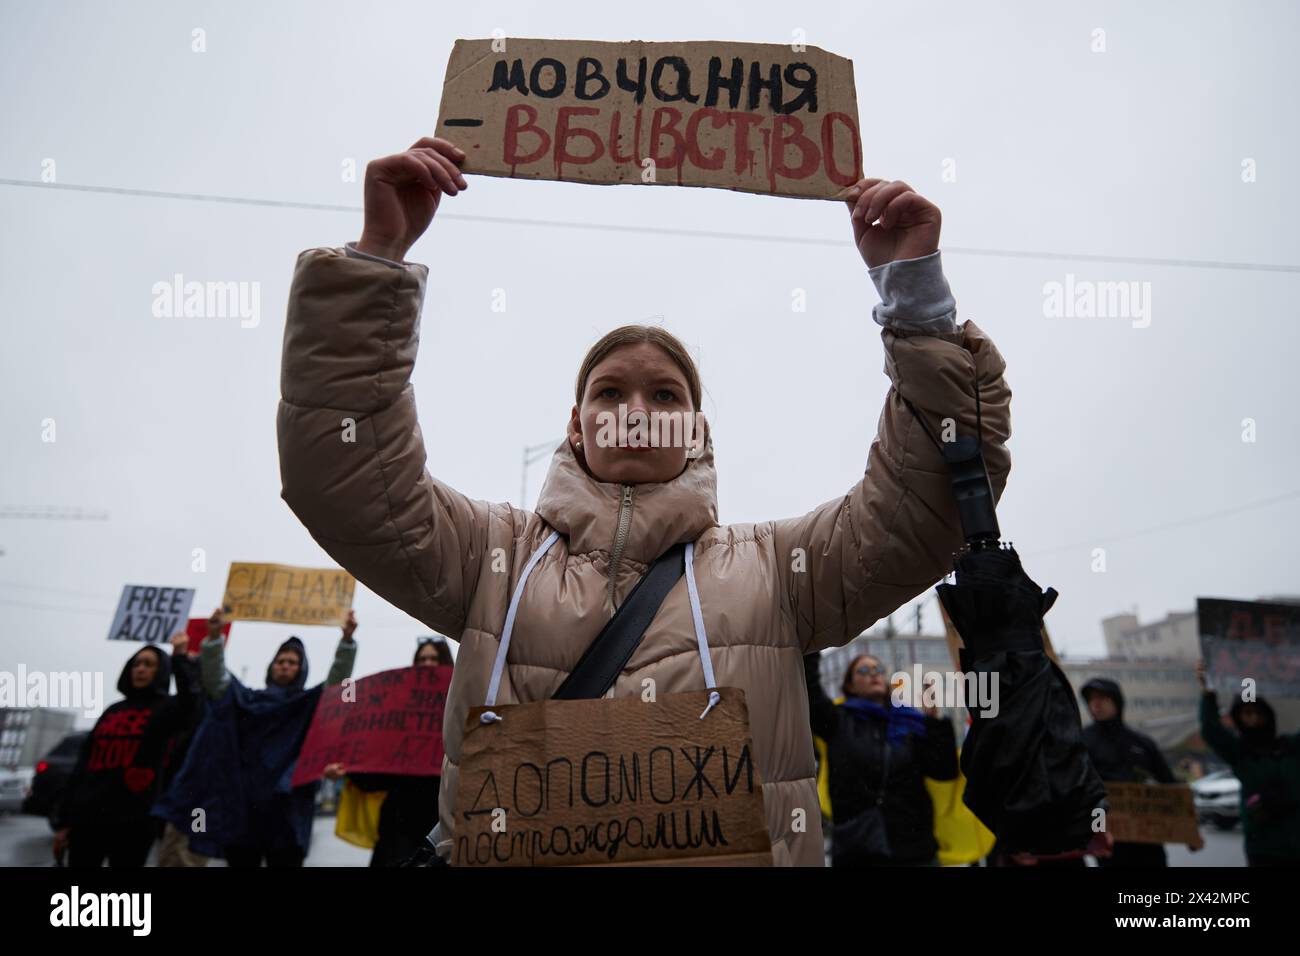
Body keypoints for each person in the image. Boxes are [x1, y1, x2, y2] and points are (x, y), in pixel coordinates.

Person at [276, 135, 1013, 866]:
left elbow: (927, 504)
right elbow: (345, 480)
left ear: (695, 429)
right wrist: (377, 259)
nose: (635, 408)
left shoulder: (781, 568)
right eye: (609, 392)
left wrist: (915, 301)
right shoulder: (489, 557)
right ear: (576, 423)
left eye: (664, 394)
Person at [152, 608, 358, 867]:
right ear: (271, 667)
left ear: (302, 669)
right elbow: (217, 682)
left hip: (287, 808)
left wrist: (347, 642)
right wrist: (214, 639)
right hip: (242, 805)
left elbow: (336, 684)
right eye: (280, 661)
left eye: (292, 662)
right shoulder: (246, 699)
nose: (285, 665)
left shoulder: (308, 704)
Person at [52, 633, 201, 867]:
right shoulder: (112, 711)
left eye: (149, 664)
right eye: (136, 664)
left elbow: (191, 704)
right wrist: (63, 822)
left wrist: (180, 658)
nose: (140, 669)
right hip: (88, 817)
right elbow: (83, 766)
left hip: (134, 819)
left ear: (161, 671)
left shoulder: (166, 709)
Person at [804, 652, 956, 865]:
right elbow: (810, 691)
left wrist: (933, 721)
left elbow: (944, 771)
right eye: (864, 670)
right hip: (859, 848)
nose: (873, 674)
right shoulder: (838, 721)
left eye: (879, 669)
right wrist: (812, 644)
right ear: (850, 685)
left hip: (914, 848)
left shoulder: (909, 722)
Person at [324, 636, 452, 866]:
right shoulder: (397, 712)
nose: (428, 664)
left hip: (442, 824)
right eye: (422, 659)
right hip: (397, 827)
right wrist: (348, 767)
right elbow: (378, 772)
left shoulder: (461, 705)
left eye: (435, 658)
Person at [1197, 660, 1300, 866]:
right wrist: (1208, 691)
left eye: (1258, 714)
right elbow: (1211, 730)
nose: (1253, 720)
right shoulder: (1240, 752)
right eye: (1247, 714)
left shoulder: (1291, 746)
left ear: (1268, 716)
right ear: (1238, 718)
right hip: (1263, 849)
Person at [1079, 677, 1182, 866]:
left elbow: (1170, 786)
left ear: (1117, 701)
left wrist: (1188, 831)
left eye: (1102, 697)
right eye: (1091, 699)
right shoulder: (1081, 742)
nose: (1096, 703)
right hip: (1107, 838)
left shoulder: (1142, 742)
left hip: (1147, 837)